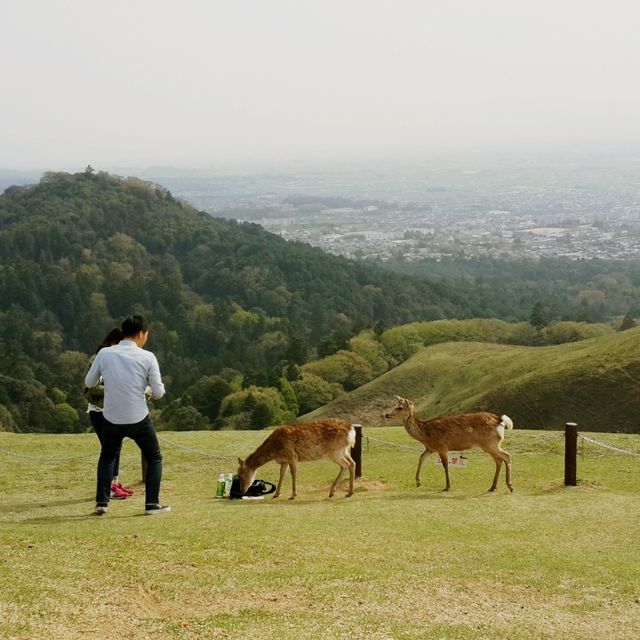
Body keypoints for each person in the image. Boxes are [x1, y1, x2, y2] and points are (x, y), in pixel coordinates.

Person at [85, 315, 170, 515]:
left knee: (107, 457)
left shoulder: (105, 354)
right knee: (154, 457)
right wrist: (146, 389)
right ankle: (151, 504)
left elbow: (89, 382)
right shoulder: (148, 357)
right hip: (138, 417)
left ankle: (102, 503)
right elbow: (158, 393)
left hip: (111, 417)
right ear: (141, 333)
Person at [86, 327, 133, 500]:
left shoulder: (115, 358)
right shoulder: (99, 358)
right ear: (114, 342)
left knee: (116, 447)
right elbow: (91, 387)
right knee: (110, 449)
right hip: (100, 411)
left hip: (114, 410)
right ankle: (109, 488)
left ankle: (114, 483)